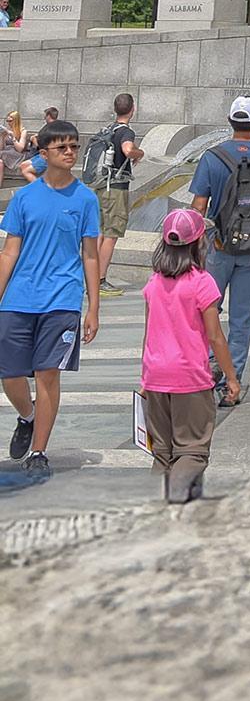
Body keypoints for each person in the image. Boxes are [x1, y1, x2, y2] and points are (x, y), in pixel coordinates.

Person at [0, 119, 100, 483]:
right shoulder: (24, 198)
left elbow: (90, 255)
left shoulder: (86, 199)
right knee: (9, 373)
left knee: (47, 373)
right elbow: (9, 252)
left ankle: (39, 450)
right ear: (44, 154)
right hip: (19, 298)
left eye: (74, 146)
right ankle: (27, 416)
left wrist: (93, 306)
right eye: (62, 147)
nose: (70, 152)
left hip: (62, 299)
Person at [187, 99, 250, 397]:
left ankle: (207, 371)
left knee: (207, 311)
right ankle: (233, 382)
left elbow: (199, 206)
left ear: (229, 121)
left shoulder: (211, 157)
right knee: (242, 317)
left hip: (218, 245)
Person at [140, 207, 239, 503]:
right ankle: (175, 501)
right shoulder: (201, 282)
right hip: (190, 378)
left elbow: (148, 335)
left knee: (163, 452)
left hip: (156, 376)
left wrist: (144, 377)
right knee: (193, 451)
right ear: (199, 244)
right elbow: (215, 336)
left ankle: (159, 504)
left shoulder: (154, 283)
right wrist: (231, 378)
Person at [92, 94, 145, 295]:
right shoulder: (126, 131)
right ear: (133, 109)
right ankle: (100, 280)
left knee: (100, 231)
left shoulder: (107, 129)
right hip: (115, 188)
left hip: (100, 185)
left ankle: (91, 275)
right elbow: (128, 149)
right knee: (111, 234)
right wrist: (140, 154)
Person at [1, 110, 33, 184]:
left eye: (10, 121)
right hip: (7, 153)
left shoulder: (23, 131)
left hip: (18, 155)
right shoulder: (8, 131)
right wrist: (2, 137)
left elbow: (20, 149)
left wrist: (13, 137)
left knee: (3, 153)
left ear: (16, 120)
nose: (8, 123)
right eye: (7, 121)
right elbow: (2, 148)